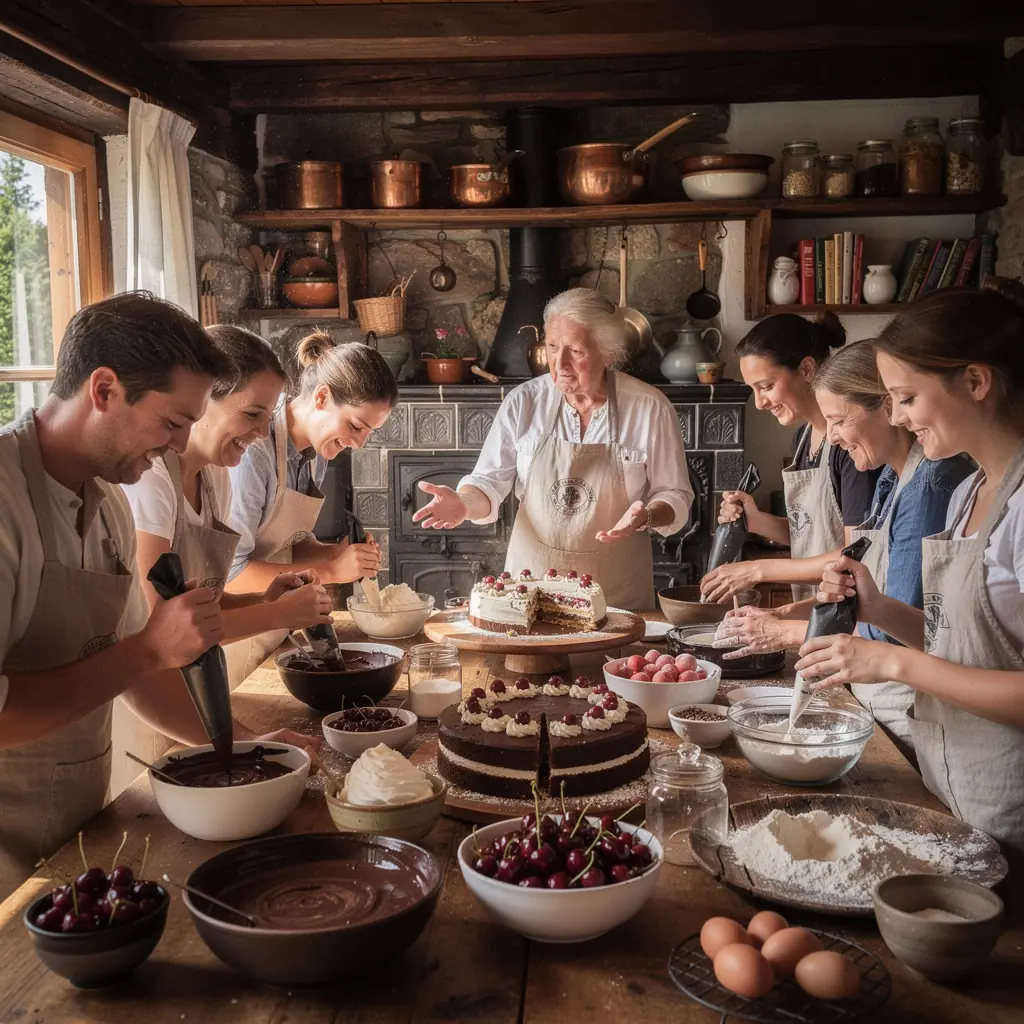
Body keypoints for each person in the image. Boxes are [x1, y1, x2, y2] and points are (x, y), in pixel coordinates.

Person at [0, 293, 297, 899]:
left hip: (73, 832)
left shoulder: (108, 500)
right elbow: (139, 657)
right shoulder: (6, 501)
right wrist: (149, 650)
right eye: (171, 423)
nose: (178, 446)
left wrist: (249, 749)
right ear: (104, 389)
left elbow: (139, 675)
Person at [795, 280, 1024, 856]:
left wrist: (892, 661)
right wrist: (879, 610)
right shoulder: (969, 491)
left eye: (907, 398)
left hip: (1010, 803)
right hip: (953, 786)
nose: (896, 416)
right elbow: (964, 647)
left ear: (976, 382)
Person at [716, 340, 971, 755]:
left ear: (885, 407)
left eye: (837, 421)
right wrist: (785, 613)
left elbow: (894, 635)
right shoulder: (890, 479)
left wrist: (786, 631)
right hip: (875, 701)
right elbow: (871, 606)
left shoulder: (929, 486)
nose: (832, 438)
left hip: (903, 713)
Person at [411, 288, 693, 610]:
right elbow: (488, 483)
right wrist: (462, 504)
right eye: (552, 346)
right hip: (530, 592)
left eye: (576, 351)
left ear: (608, 353)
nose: (560, 364)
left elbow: (674, 494)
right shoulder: (523, 402)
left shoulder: (649, 408)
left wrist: (647, 515)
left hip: (615, 596)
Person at [123, 324, 334, 653]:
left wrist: (266, 599)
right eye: (252, 414)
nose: (262, 432)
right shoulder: (151, 478)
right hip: (141, 676)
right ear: (201, 398)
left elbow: (207, 603)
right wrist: (277, 614)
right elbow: (162, 625)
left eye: (268, 417)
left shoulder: (216, 477)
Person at [226, 332, 397, 681]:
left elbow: (289, 544)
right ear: (321, 397)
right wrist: (332, 571)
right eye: (355, 425)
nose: (359, 443)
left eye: (369, 432)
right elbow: (232, 575)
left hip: (275, 629)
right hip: (235, 632)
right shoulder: (253, 454)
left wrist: (334, 553)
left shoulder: (315, 453)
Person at [701, 313, 883, 603]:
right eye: (753, 390)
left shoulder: (851, 448)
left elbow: (856, 552)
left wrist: (758, 570)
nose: (759, 403)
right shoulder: (803, 439)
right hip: (815, 605)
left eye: (766, 386)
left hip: (856, 611)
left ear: (807, 368)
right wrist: (755, 520)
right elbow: (810, 533)